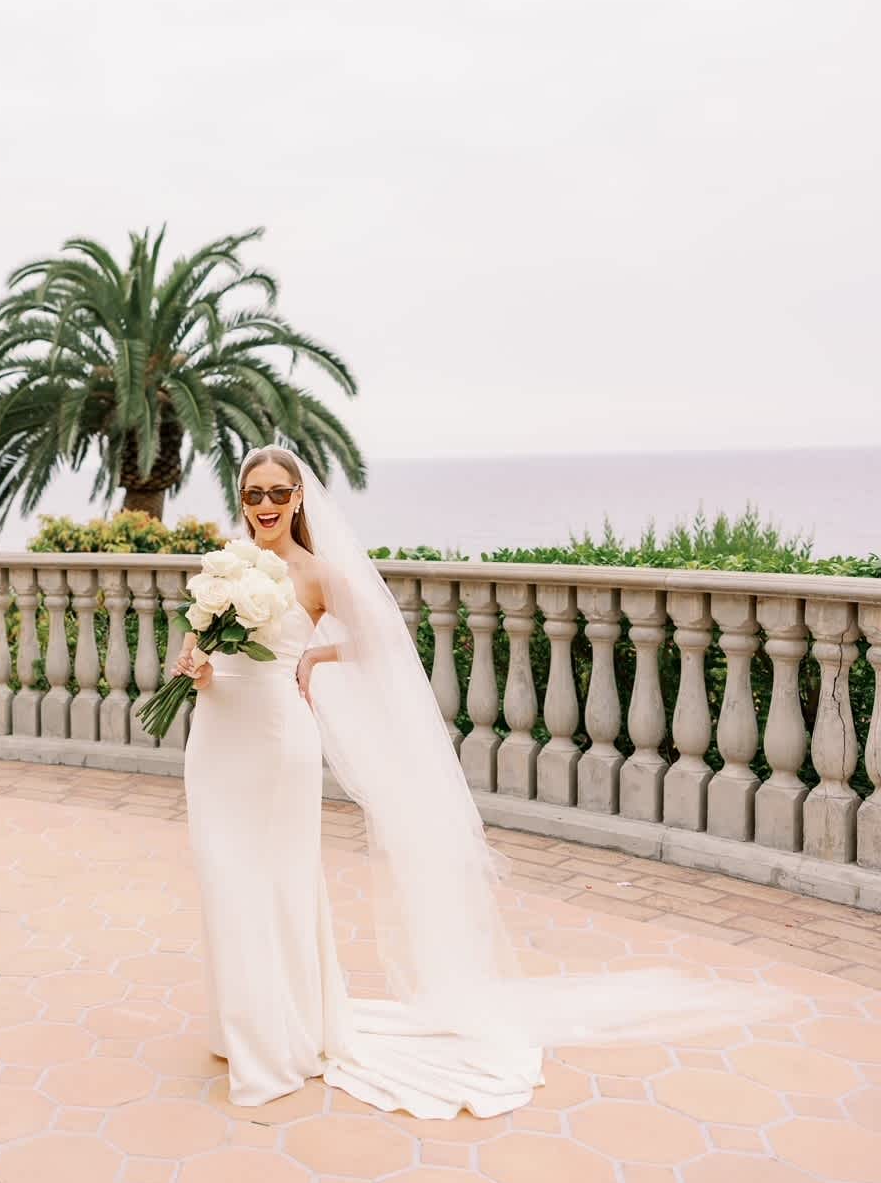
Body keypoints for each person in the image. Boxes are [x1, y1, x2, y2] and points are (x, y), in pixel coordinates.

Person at [177, 445, 789, 1117]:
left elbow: (382, 638)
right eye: (254, 493)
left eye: (277, 492)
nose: (265, 505)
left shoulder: (318, 573)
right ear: (242, 501)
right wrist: (196, 668)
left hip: (278, 740)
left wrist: (316, 655)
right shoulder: (226, 565)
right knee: (222, 877)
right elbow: (199, 648)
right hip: (217, 735)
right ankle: (241, 1026)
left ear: (298, 498)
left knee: (277, 882)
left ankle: (281, 1038)